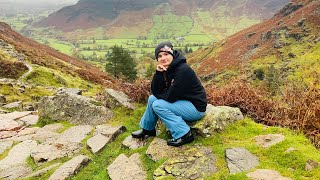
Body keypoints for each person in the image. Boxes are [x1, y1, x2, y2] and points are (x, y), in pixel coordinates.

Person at [131, 42, 207, 147]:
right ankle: (148, 129)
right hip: (183, 101)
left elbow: (171, 97)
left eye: (166, 54)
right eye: (159, 56)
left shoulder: (183, 70)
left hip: (195, 108)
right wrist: (158, 73)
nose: (163, 58)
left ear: (172, 54)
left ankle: (184, 134)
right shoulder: (169, 67)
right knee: (152, 99)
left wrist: (159, 95)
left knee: (157, 104)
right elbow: (155, 90)